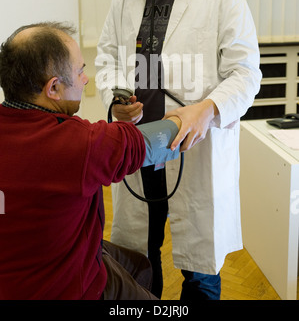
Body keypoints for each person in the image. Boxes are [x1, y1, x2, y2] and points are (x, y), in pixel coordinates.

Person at [95, 0, 262, 300]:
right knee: (137, 260)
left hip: (195, 148)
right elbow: (107, 60)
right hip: (140, 147)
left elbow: (245, 73)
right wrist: (116, 98)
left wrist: (208, 109)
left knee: (200, 270)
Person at [0, 21, 182, 300]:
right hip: (67, 289)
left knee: (137, 263)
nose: (86, 79)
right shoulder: (79, 144)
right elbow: (151, 142)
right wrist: (193, 115)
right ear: (54, 88)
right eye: (80, 70)